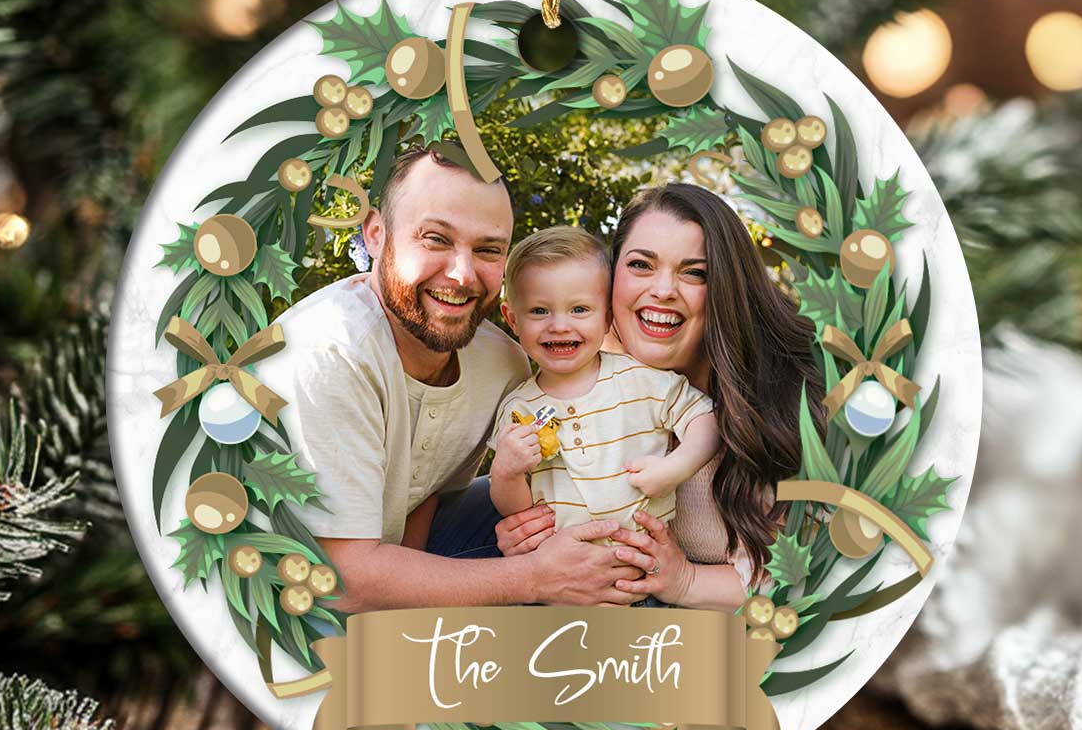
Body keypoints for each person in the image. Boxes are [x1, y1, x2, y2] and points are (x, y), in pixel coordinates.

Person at [258, 143, 656, 613]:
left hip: (394, 555)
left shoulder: (501, 363)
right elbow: (342, 580)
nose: (462, 275)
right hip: (294, 599)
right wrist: (534, 576)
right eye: (435, 239)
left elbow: (430, 492)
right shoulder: (331, 354)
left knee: (591, 511)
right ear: (376, 235)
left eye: (488, 249)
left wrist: (529, 534)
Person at [495, 183, 826, 612]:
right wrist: (521, 528)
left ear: (727, 286)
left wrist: (686, 581)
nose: (663, 290)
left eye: (695, 272)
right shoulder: (589, 366)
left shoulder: (777, 406)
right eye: (641, 265)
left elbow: (807, 574)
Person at [489, 226, 720, 538]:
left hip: (645, 560)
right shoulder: (518, 409)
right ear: (513, 319)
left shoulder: (640, 380)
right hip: (565, 568)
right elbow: (520, 512)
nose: (559, 326)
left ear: (608, 318)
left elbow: (705, 419)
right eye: (539, 311)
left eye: (579, 309)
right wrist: (507, 473)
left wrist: (675, 468)